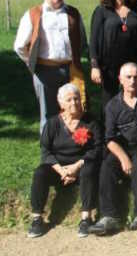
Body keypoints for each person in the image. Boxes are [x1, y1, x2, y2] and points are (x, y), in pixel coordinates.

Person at [14, 0, 88, 132]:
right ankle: (48, 154)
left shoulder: (73, 13)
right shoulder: (33, 14)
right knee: (48, 114)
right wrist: (31, 62)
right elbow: (19, 45)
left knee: (73, 111)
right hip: (44, 71)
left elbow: (82, 41)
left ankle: (70, 148)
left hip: (71, 70)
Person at [27, 84, 101, 238]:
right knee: (40, 173)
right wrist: (62, 171)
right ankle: (37, 219)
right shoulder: (53, 124)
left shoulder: (91, 121)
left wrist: (76, 167)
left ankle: (86, 219)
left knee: (88, 169)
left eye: (76, 98)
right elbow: (46, 151)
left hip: (81, 165)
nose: (74, 103)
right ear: (60, 103)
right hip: (58, 167)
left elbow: (97, 148)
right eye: (69, 100)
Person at [88, 63, 137, 236]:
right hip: (120, 148)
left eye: (136, 77)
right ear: (120, 79)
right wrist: (123, 158)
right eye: (128, 77)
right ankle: (110, 217)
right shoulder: (112, 106)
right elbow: (109, 139)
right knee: (107, 166)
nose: (133, 81)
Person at [90, 0, 137, 107]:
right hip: (108, 66)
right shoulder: (102, 11)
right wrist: (94, 66)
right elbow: (94, 41)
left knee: (133, 99)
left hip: (132, 64)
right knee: (109, 102)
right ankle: (108, 127)